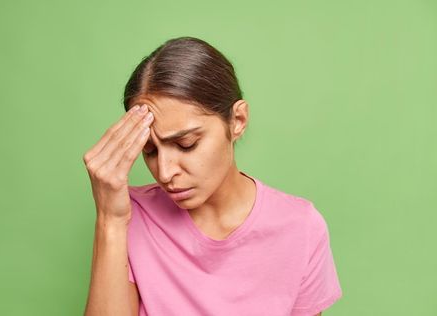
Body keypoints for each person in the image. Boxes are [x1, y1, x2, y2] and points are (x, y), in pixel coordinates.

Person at [83, 36, 343, 316]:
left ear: (238, 121)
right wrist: (110, 220)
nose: (165, 171)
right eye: (150, 151)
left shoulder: (300, 228)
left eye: (187, 144)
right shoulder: (129, 217)